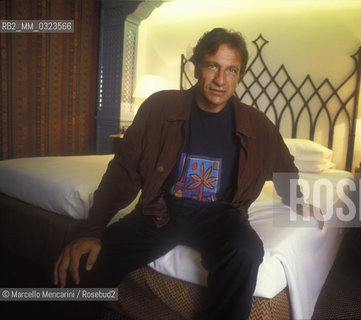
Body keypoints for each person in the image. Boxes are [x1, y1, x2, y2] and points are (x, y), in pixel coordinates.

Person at [53, 27, 321, 320]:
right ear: (196, 68)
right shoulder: (159, 107)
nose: (221, 80)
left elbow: (284, 166)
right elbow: (124, 170)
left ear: (239, 75)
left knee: (246, 251)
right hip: (159, 211)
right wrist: (93, 230)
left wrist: (297, 200)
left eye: (231, 70)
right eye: (212, 66)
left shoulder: (257, 126)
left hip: (220, 216)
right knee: (86, 263)